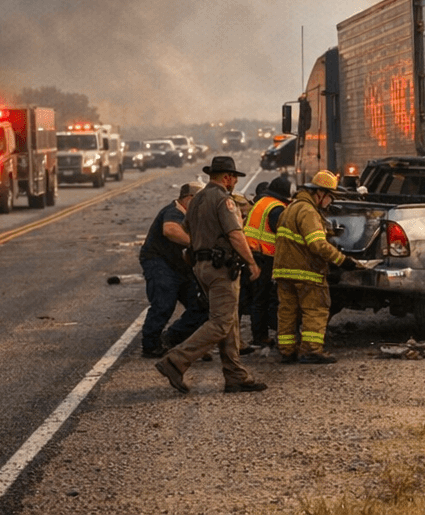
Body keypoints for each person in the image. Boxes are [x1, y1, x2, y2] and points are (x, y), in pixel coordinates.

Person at [154, 156, 268, 394]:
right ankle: (175, 361)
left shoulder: (196, 201)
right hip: (221, 269)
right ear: (226, 177)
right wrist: (251, 263)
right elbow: (236, 235)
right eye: (234, 177)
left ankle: (235, 375)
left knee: (228, 321)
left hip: (202, 267)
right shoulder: (223, 200)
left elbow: (187, 230)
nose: (235, 182)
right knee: (221, 322)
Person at [273, 169, 360, 365]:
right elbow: (317, 244)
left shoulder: (291, 208)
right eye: (330, 197)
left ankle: (287, 351)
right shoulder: (309, 211)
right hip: (306, 272)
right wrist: (341, 260)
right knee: (316, 309)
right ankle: (311, 350)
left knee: (287, 311)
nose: (330, 202)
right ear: (319, 194)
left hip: (283, 271)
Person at [138, 182, 209, 358]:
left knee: (201, 305)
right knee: (163, 302)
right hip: (159, 263)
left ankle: (173, 338)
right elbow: (170, 230)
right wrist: (195, 244)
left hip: (180, 267)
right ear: (189, 199)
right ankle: (151, 345)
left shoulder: (193, 216)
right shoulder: (173, 212)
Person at [241, 174, 293, 351]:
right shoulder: (276, 209)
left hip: (251, 254)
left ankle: (259, 336)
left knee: (256, 298)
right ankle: (260, 337)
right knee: (262, 299)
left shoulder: (262, 203)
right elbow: (284, 234)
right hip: (263, 257)